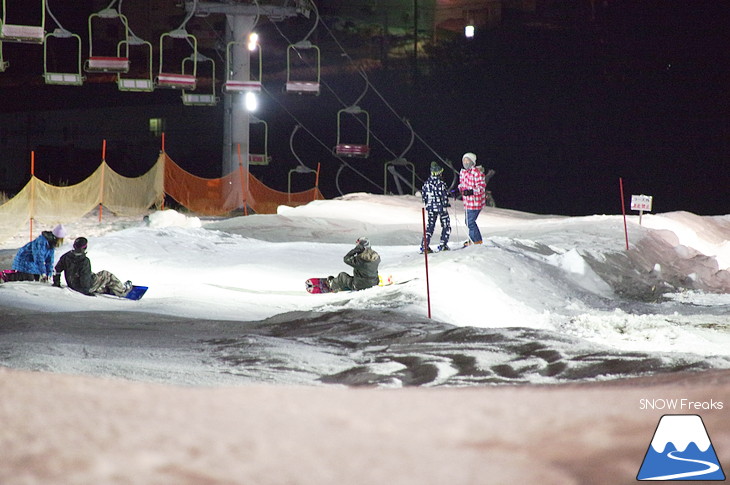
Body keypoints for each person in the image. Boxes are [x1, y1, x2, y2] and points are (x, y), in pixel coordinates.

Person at [53, 237, 133, 297]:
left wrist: (56, 283)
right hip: (83, 288)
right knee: (105, 274)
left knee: (95, 276)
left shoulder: (66, 256)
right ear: (85, 247)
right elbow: (85, 278)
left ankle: (108, 289)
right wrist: (86, 292)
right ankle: (122, 291)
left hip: (73, 285)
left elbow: (57, 270)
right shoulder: (84, 261)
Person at [420, 161, 452, 253]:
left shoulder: (426, 184)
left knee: (430, 226)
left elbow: (424, 197)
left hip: (430, 209)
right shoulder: (441, 184)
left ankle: (424, 246)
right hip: (441, 208)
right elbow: (444, 196)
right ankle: (443, 245)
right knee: (446, 225)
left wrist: (428, 204)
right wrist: (446, 204)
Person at [457, 152, 487, 246]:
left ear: (472, 162)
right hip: (467, 202)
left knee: (470, 222)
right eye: (464, 161)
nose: (465, 163)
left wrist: (471, 191)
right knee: (468, 221)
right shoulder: (463, 172)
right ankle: (471, 239)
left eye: (467, 161)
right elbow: (462, 184)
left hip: (475, 202)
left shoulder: (477, 173)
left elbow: (481, 187)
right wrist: (459, 190)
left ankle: (477, 240)